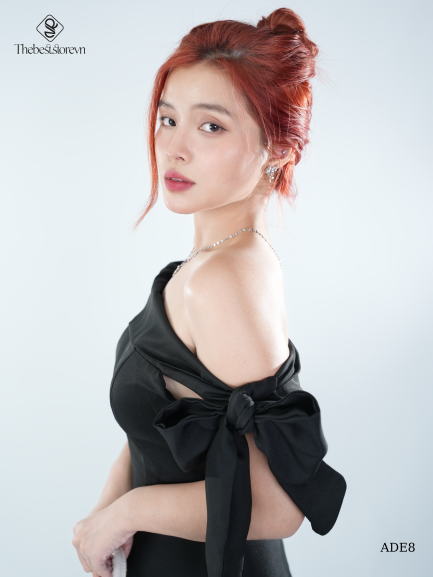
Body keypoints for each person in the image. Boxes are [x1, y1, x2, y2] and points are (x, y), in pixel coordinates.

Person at [72, 7, 346, 577]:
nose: (173, 148)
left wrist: (126, 513)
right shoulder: (207, 267)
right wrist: (104, 511)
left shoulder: (223, 279)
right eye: (168, 118)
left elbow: (279, 506)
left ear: (279, 150)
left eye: (211, 126)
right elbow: (165, 425)